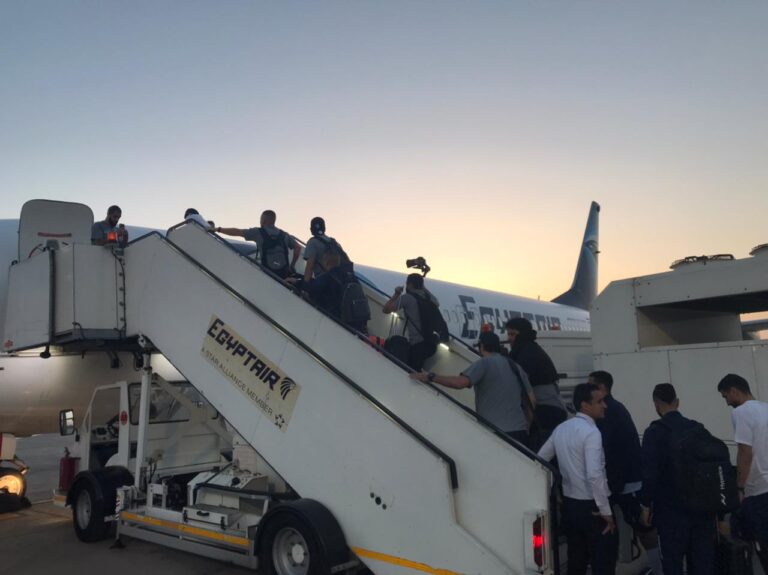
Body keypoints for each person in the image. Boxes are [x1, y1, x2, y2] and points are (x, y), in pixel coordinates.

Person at [538, 382, 617, 575]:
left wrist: (553, 489)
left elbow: (540, 459)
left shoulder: (561, 428)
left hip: (570, 504)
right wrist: (605, 511)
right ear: (585, 405)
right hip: (593, 506)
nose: (604, 405)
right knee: (603, 561)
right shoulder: (591, 433)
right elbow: (594, 474)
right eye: (599, 401)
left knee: (576, 559)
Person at [589, 371, 663, 575]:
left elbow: (608, 449)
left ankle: (659, 568)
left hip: (626, 482)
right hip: (627, 479)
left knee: (643, 527)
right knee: (640, 527)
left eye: (591, 386)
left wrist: (610, 486)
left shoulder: (608, 412)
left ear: (602, 388)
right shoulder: (616, 408)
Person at [640, 383, 716, 575]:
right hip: (701, 510)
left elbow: (649, 473)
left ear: (656, 403)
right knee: (702, 563)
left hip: (670, 511)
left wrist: (646, 504)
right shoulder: (698, 429)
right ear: (678, 402)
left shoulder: (654, 433)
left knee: (672, 563)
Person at [410, 332, 534, 446]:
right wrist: (527, 425)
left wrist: (431, 377)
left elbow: (459, 383)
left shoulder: (484, 363)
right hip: (519, 432)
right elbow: (531, 400)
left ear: (482, 346)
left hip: (494, 432)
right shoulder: (516, 367)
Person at [718, 373, 768, 574]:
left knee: (758, 544)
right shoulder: (765, 408)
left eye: (725, 396)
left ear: (734, 391)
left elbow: (745, 451)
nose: (726, 402)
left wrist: (740, 487)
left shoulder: (741, 413)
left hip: (758, 490)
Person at [506, 317, 567, 446]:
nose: (509, 338)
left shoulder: (526, 354)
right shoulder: (529, 349)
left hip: (545, 410)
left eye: (512, 334)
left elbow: (521, 385)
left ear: (522, 334)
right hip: (550, 408)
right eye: (508, 334)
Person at [287, 251, 368, 332]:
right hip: (353, 320)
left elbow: (313, 288)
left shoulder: (329, 276)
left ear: (326, 262)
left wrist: (297, 282)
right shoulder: (351, 277)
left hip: (335, 319)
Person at [216, 210, 300, 279]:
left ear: (263, 220)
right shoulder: (284, 235)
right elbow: (298, 247)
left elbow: (237, 232)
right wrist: (292, 265)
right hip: (284, 274)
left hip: (268, 274)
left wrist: (218, 229)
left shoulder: (258, 232)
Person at [382, 273, 439, 370]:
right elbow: (437, 303)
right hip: (431, 343)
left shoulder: (407, 298)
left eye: (407, 284)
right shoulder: (428, 298)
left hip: (417, 345)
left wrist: (396, 294)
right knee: (417, 369)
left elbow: (386, 309)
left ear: (410, 285)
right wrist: (423, 288)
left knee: (409, 372)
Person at [303, 216, 353, 282]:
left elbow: (310, 267)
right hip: (341, 281)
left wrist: (305, 284)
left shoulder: (312, 242)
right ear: (324, 228)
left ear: (311, 229)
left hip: (325, 281)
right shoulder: (335, 243)